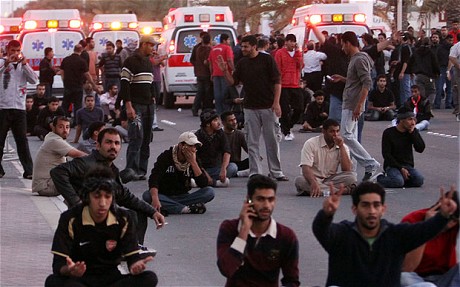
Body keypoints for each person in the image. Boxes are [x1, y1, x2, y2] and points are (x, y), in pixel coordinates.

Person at [312, 181, 458, 287]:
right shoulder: (342, 234)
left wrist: (443, 216)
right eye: (365, 205)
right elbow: (321, 230)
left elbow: (425, 230)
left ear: (383, 209)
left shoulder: (395, 235)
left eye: (376, 205)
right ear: (354, 209)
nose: (372, 211)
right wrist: (326, 214)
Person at [45, 166, 158, 287]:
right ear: (87, 197)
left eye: (107, 196)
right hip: (80, 280)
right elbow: (58, 265)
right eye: (97, 196)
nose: (102, 203)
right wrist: (70, 270)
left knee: (149, 278)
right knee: (53, 281)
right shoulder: (70, 218)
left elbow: (132, 257)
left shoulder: (123, 218)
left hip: (112, 279)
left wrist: (135, 266)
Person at [50, 128, 165, 244]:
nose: (113, 147)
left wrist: (153, 212)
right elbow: (58, 172)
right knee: (129, 216)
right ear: (98, 146)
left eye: (116, 143)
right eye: (108, 142)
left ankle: (134, 248)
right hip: (86, 222)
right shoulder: (87, 163)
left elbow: (126, 197)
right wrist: (76, 201)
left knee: (138, 212)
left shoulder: (112, 170)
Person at [217, 35, 288, 181]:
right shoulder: (242, 63)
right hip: (250, 107)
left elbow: (277, 82)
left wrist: (276, 102)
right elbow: (233, 82)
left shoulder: (267, 60)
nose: (243, 49)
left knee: (272, 140)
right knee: (252, 141)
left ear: (254, 46)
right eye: (242, 46)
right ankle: (255, 171)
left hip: (268, 106)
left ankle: (276, 171)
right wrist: (225, 71)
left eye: (246, 47)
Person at [216, 174, 300, 287]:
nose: (266, 205)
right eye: (260, 199)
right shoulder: (229, 228)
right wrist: (244, 231)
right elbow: (226, 269)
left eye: (270, 199)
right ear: (248, 200)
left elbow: (292, 281)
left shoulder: (286, 236)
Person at [331, 31, 380, 181]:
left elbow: (367, 82)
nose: (342, 48)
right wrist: (343, 79)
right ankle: (352, 170)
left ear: (347, 43)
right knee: (351, 136)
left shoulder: (359, 59)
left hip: (352, 103)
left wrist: (359, 105)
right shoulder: (357, 59)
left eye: (342, 44)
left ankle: (370, 163)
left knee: (345, 135)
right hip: (352, 101)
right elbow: (357, 81)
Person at [142, 131, 215, 215]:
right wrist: (155, 199)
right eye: (190, 146)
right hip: (164, 195)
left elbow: (203, 184)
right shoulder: (166, 156)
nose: (193, 149)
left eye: (195, 146)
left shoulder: (194, 159)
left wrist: (193, 163)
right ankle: (184, 209)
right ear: (181, 145)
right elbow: (154, 179)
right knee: (147, 195)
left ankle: (172, 207)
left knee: (209, 192)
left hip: (184, 196)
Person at [401, 189, 459, 287]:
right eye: (448, 218)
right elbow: (407, 267)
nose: (448, 225)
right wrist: (427, 228)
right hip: (416, 278)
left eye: (453, 221)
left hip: (443, 277)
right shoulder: (413, 220)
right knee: (405, 278)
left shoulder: (455, 227)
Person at [119, 35, 157, 180]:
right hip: (136, 105)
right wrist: (128, 106)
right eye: (151, 45)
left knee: (147, 138)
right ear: (143, 45)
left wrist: (153, 98)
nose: (153, 49)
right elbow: (124, 84)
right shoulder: (130, 61)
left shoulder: (148, 62)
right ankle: (131, 169)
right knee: (136, 137)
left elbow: (151, 83)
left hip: (148, 106)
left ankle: (142, 170)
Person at [0, 39, 38, 179]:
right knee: (0, 140)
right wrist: (6, 63)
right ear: (7, 50)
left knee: (22, 140)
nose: (15, 54)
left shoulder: (23, 65)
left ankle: (29, 170)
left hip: (19, 107)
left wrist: (25, 65)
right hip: (3, 107)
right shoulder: (2, 63)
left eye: (17, 51)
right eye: (12, 51)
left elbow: (34, 80)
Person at [295, 119, 356, 197]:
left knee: (352, 177)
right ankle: (342, 191)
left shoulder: (342, 146)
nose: (335, 135)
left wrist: (341, 147)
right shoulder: (311, 143)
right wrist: (314, 183)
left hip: (331, 179)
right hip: (313, 178)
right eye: (332, 131)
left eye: (337, 131)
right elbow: (305, 168)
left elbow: (347, 169)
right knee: (300, 181)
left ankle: (320, 191)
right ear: (324, 131)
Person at [32, 116, 87, 196]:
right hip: (47, 186)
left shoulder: (50, 136)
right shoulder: (54, 141)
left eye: (67, 127)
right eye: (61, 127)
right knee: (81, 172)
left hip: (45, 184)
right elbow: (77, 154)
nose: (65, 130)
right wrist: (100, 159)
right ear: (53, 127)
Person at [376, 107, 425, 188]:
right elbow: (386, 154)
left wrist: (413, 134)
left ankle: (401, 180)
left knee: (419, 180)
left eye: (414, 120)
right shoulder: (389, 133)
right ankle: (381, 178)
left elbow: (420, 148)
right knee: (398, 181)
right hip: (392, 165)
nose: (413, 123)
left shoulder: (412, 131)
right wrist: (400, 168)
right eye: (410, 119)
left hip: (407, 165)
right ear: (402, 120)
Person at [195, 109, 237, 187]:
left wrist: (223, 169)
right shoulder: (197, 136)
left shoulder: (220, 133)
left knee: (233, 167)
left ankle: (201, 182)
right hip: (201, 169)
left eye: (218, 120)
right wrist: (204, 173)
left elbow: (227, 152)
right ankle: (213, 182)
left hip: (216, 168)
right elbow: (194, 159)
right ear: (208, 124)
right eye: (215, 120)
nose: (219, 123)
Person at [274, 34, 304, 141]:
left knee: (299, 108)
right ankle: (286, 131)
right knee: (285, 109)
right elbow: (277, 68)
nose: (292, 43)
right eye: (290, 41)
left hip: (295, 84)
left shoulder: (297, 53)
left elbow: (300, 66)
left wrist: (297, 53)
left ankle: (288, 125)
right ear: (286, 42)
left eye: (293, 41)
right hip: (284, 84)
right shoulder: (280, 53)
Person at [60, 44, 97, 119]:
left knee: (65, 104)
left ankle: (63, 119)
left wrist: (64, 80)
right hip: (78, 86)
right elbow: (87, 74)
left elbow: (62, 72)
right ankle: (76, 121)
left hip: (68, 85)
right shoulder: (82, 61)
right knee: (77, 105)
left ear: (74, 49)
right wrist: (93, 84)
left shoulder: (66, 59)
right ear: (81, 50)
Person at [208, 33, 234, 115]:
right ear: (224, 40)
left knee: (217, 94)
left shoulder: (213, 49)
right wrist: (234, 69)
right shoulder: (227, 48)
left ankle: (219, 112)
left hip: (215, 74)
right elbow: (229, 60)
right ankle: (226, 112)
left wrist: (211, 73)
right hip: (225, 73)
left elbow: (210, 63)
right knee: (225, 94)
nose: (229, 41)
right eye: (228, 39)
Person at [221, 111, 249, 177]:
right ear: (224, 123)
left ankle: (235, 173)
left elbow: (248, 149)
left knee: (253, 160)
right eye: (230, 120)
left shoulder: (240, 134)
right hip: (223, 164)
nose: (234, 122)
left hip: (237, 163)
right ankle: (236, 174)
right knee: (232, 167)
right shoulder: (219, 134)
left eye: (235, 119)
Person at [191, 33, 212, 116]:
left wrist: (197, 67)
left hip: (199, 73)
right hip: (207, 73)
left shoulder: (197, 48)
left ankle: (195, 108)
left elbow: (192, 60)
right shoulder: (209, 49)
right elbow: (208, 62)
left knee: (200, 92)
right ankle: (206, 109)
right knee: (207, 93)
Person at [448, 33, 460, 115]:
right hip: (458, 70)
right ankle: (458, 108)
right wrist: (459, 66)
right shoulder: (457, 46)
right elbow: (451, 57)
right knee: (457, 89)